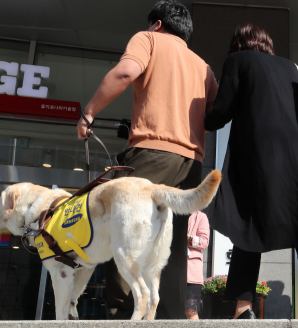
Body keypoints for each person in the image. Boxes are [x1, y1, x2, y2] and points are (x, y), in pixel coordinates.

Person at [76, 0, 218, 319]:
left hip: (151, 154)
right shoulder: (203, 67)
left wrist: (89, 113)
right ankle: (165, 318)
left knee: (127, 237)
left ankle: (125, 315)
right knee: (169, 249)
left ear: (156, 24)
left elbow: (126, 71)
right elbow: (213, 114)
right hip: (191, 163)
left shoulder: (148, 38)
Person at [204, 23, 298, 320]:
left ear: (239, 43)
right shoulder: (291, 68)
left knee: (247, 226)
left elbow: (220, 113)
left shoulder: (238, 61)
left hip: (262, 158)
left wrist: (198, 115)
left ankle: (243, 308)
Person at [186, 211, 210, 320]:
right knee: (167, 310)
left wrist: (190, 237)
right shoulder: (169, 211)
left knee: (191, 310)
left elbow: (204, 242)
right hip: (171, 268)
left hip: (191, 271)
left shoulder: (200, 216)